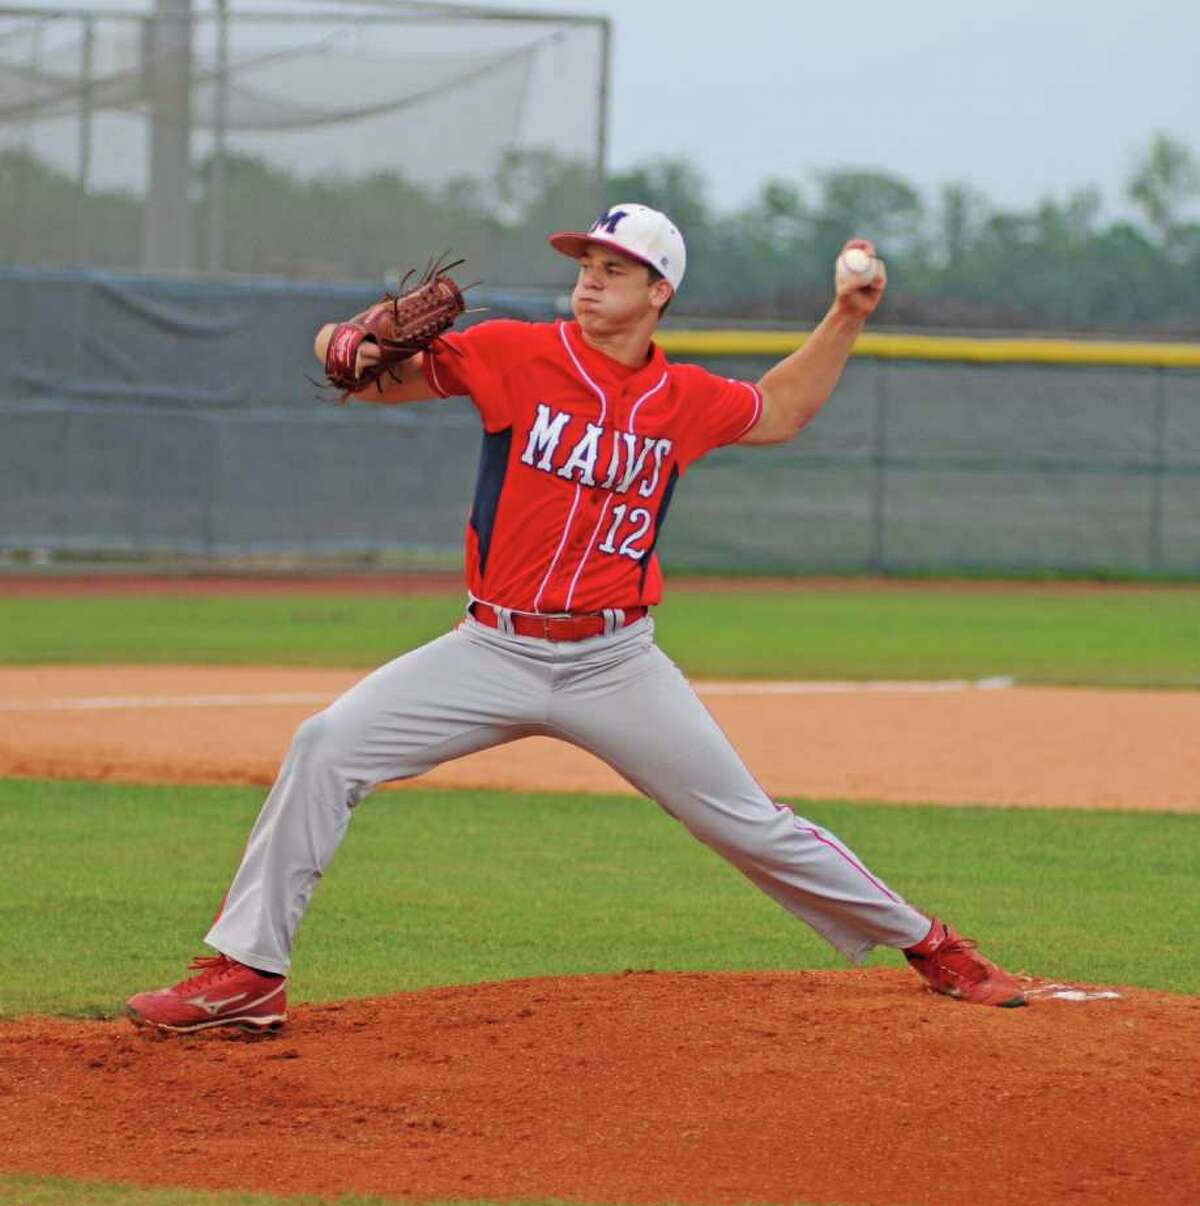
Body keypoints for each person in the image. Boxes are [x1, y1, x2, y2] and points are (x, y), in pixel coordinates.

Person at [126, 203, 1027, 1033]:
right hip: (491, 647)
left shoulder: (686, 402)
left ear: (659, 292)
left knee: (745, 820)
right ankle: (249, 973)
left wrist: (850, 315)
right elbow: (364, 376)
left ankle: (930, 942)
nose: (592, 277)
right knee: (327, 744)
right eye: (586, 261)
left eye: (616, 267)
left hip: (614, 663)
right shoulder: (516, 352)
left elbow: (783, 408)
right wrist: (349, 343)